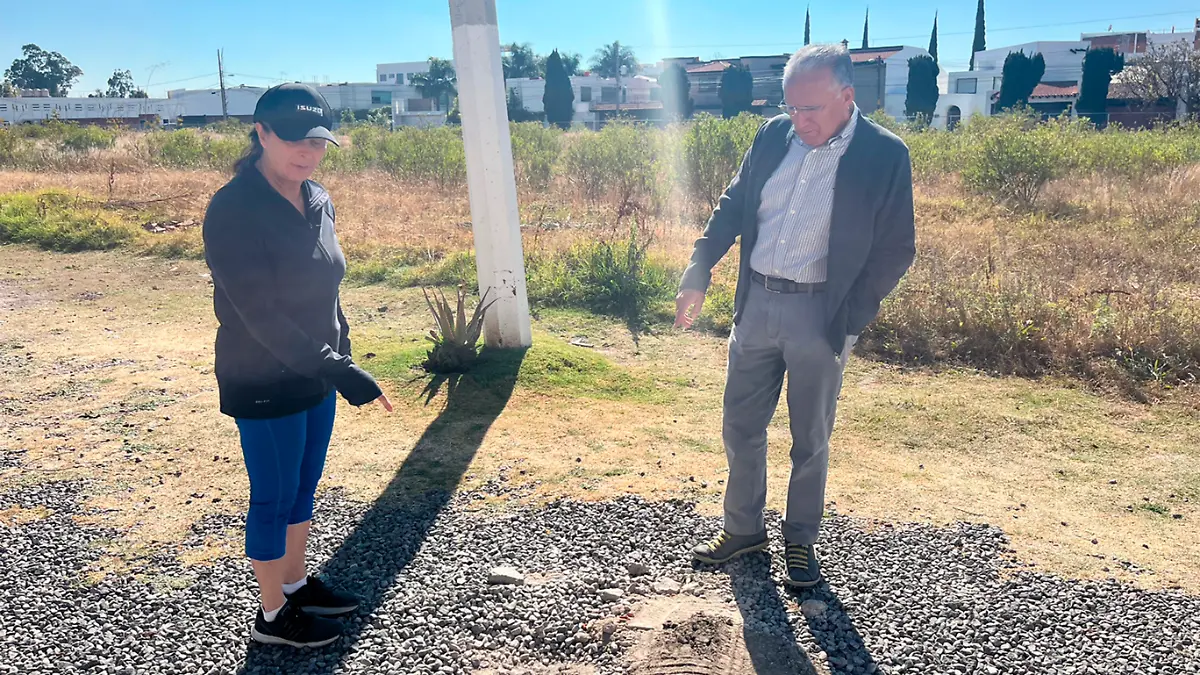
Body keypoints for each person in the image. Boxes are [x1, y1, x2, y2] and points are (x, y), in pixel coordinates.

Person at [676, 45, 916, 588]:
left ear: (847, 96)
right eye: (791, 107)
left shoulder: (884, 154)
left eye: (811, 109)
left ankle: (801, 540)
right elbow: (734, 205)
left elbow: (896, 248)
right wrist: (699, 267)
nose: (799, 120)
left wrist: (849, 318)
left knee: (810, 438)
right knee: (740, 426)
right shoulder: (772, 136)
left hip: (822, 316)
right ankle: (743, 530)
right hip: (756, 306)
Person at [202, 83, 394, 647]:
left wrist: (341, 354)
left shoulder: (318, 199)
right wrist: (339, 369)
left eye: (317, 141)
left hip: (317, 371)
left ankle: (294, 584)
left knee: (303, 487)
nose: (307, 152)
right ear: (261, 133)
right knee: (273, 495)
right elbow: (259, 313)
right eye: (293, 139)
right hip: (262, 378)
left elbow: (328, 289)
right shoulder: (233, 208)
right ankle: (271, 617)